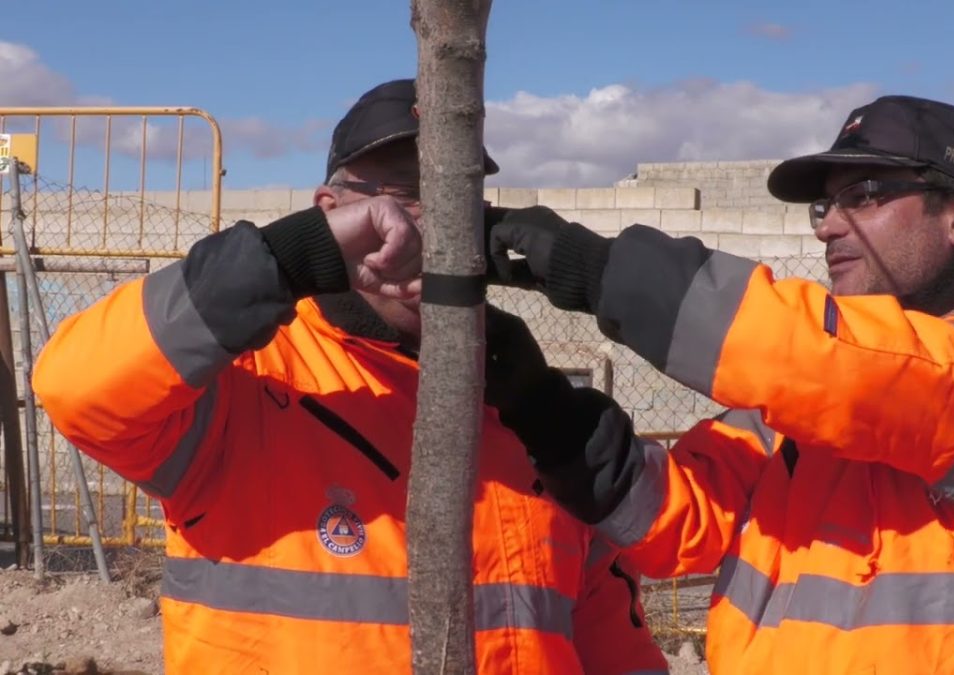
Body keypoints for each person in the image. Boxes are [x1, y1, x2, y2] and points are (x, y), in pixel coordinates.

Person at [32, 78, 670, 675]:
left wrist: (543, 407)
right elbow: (76, 388)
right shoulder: (248, 382)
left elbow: (614, 643)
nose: (435, 229)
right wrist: (285, 258)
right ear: (330, 211)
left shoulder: (525, 404)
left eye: (457, 199)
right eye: (403, 197)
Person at [480, 95, 954, 674]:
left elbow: (821, 359)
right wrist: (544, 408)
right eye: (825, 206)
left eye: (864, 196)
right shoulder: (804, 409)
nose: (829, 228)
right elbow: (679, 523)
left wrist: (589, 267)